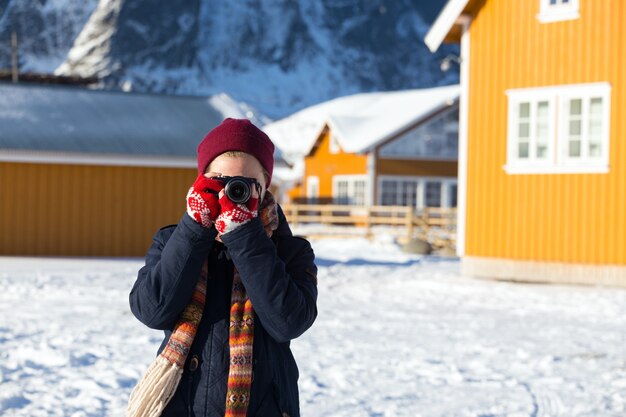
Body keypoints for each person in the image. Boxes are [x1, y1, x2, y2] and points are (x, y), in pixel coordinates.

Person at [127, 118, 318, 417]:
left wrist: (244, 235)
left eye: (244, 185)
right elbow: (150, 311)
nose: (231, 192)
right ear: (202, 181)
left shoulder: (291, 251)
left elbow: (289, 322)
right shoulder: (173, 240)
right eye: (220, 181)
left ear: (266, 185)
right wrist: (194, 228)